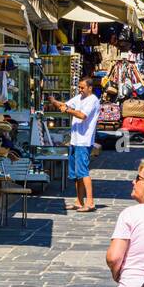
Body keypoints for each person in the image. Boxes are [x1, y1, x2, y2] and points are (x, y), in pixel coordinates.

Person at [49, 75, 101, 213]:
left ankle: (90, 202)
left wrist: (67, 110)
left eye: (82, 87)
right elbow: (66, 105)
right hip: (75, 140)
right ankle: (79, 201)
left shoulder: (93, 100)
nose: (80, 90)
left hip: (84, 141)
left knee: (83, 171)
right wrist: (54, 101)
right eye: (79, 87)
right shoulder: (79, 98)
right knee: (76, 174)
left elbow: (82, 115)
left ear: (90, 88)